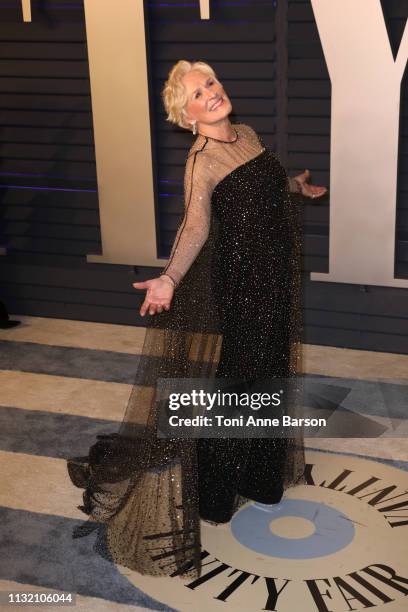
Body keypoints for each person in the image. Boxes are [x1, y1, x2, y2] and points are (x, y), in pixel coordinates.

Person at [67, 60, 327, 580]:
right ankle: (217, 488)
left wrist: (296, 186)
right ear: (186, 116)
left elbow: (266, 190)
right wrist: (168, 279)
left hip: (277, 282)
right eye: (196, 92)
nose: (210, 92)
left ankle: (258, 475)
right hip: (245, 285)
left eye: (210, 82)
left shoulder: (247, 134)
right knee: (241, 382)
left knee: (268, 374)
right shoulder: (201, 160)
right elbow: (194, 227)